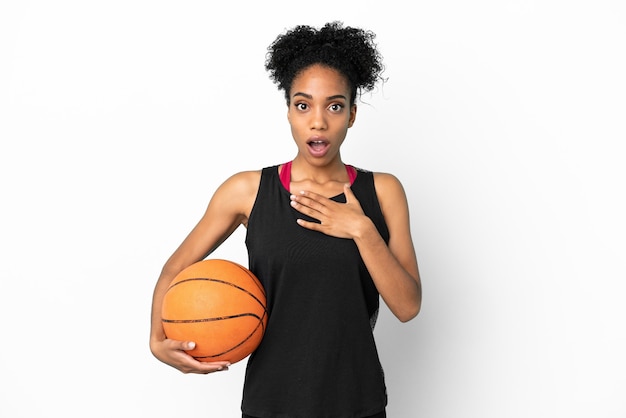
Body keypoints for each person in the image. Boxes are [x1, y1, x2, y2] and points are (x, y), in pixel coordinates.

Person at [150, 21, 422, 418]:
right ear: (289, 112)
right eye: (303, 104)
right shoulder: (247, 191)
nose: (318, 121)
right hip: (271, 403)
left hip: (356, 402)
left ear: (352, 115)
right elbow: (176, 267)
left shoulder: (383, 192)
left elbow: (407, 305)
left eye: (334, 105)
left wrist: (361, 230)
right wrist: (158, 340)